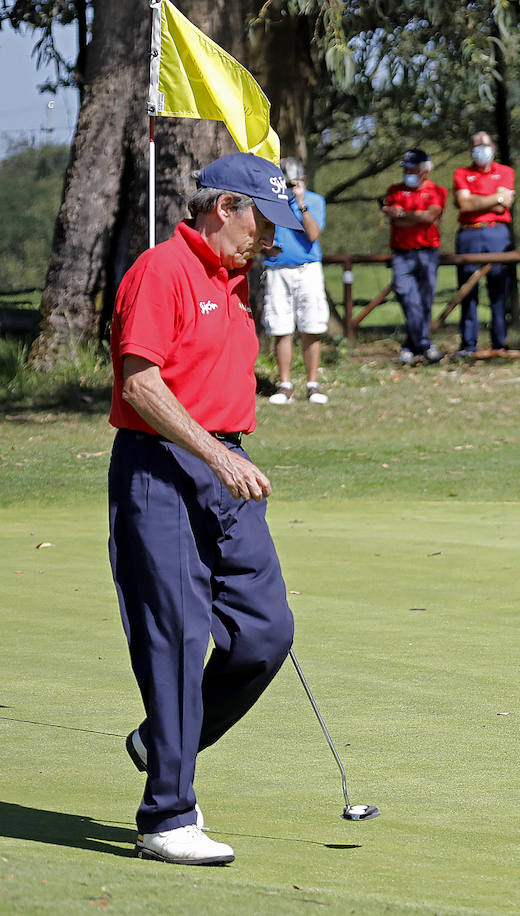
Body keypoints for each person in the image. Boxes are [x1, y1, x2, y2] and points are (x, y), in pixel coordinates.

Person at [108, 152, 302, 865]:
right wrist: (216, 456)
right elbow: (140, 384)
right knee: (177, 639)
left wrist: (228, 455)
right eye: (262, 223)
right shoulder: (162, 271)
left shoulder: (236, 278)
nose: (268, 241)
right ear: (225, 206)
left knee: (266, 631)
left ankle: (159, 741)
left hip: (227, 470)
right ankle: (167, 815)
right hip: (161, 468)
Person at [263, 157, 330, 404]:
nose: (289, 187)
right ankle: (285, 384)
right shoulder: (271, 201)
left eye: (293, 182)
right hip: (278, 269)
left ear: (302, 180)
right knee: (281, 328)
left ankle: (312, 384)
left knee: (311, 326)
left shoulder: (315, 201)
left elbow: (313, 234)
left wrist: (301, 203)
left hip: (308, 269)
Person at [382, 148, 447, 365]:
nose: (407, 172)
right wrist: (415, 217)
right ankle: (425, 343)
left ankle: (411, 346)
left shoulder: (437, 191)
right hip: (402, 253)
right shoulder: (395, 190)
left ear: (424, 171)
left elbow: (430, 216)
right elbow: (399, 220)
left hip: (428, 252)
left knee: (425, 301)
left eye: (412, 168)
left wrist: (402, 214)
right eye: (406, 168)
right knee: (408, 297)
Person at [453, 131, 515, 356]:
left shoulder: (506, 172)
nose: (481, 148)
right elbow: (464, 205)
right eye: (477, 144)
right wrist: (495, 199)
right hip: (469, 235)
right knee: (468, 290)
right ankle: (468, 345)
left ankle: (500, 343)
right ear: (471, 149)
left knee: (499, 290)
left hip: (498, 234)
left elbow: (504, 205)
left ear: (494, 148)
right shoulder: (461, 173)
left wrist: (476, 200)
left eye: (486, 144)